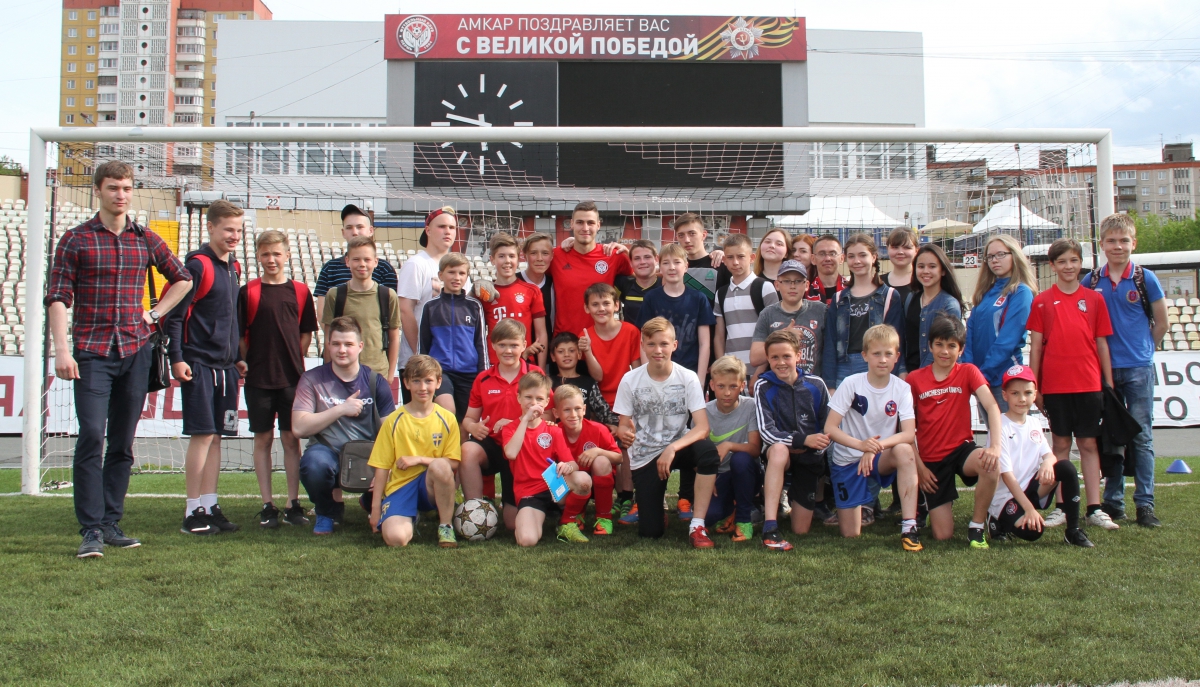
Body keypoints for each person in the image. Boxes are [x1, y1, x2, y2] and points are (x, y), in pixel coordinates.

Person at [47, 160, 194, 558]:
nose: (121, 195)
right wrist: (62, 349)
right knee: (92, 435)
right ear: (98, 190)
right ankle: (90, 529)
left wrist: (155, 314)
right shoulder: (75, 239)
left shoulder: (145, 238)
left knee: (123, 442)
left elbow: (183, 278)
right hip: (92, 352)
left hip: (135, 350)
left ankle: (111, 522)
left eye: (127, 188)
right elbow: (58, 297)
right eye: (113, 187)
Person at [1027, 238, 1117, 532]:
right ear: (1052, 266)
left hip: (1089, 384)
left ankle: (1095, 508)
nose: (1068, 266)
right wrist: (1035, 386)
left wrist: (1108, 384)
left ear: (1081, 263)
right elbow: (1036, 347)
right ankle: (1062, 507)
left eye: (1074, 260)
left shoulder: (1094, 300)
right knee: (1061, 445)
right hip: (1055, 386)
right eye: (1062, 261)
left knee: (1089, 444)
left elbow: (1101, 344)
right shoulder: (1041, 301)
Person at [1084, 214, 1167, 528]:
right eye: (1111, 241)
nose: (1118, 246)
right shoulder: (1092, 281)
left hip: (1138, 370)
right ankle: (1114, 502)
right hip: (1103, 371)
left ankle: (1145, 504)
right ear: (1102, 244)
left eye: (1124, 240)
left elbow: (1162, 323)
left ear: (1134, 243)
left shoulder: (1146, 279)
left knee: (1142, 437)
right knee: (1111, 437)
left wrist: (1144, 351)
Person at [168, 199, 245, 536]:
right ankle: (192, 510)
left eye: (238, 230)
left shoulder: (234, 267)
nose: (234, 235)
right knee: (202, 436)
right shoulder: (198, 266)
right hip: (199, 364)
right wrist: (177, 357)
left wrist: (237, 355)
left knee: (217, 439)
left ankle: (210, 504)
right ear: (210, 228)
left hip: (226, 368)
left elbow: (230, 318)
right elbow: (175, 315)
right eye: (228, 229)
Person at [238, 229, 318, 528]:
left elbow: (306, 332)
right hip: (258, 379)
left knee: (290, 439)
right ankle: (267, 503)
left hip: (291, 380)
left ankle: (293, 502)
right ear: (258, 256)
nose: (271, 259)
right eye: (265, 254)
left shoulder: (300, 291)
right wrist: (248, 361)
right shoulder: (248, 292)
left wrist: (294, 357)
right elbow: (241, 335)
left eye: (276, 254)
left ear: (287, 255)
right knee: (262, 439)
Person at [613, 317, 718, 547]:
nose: (658, 350)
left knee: (708, 452)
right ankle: (655, 512)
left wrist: (672, 447)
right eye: (651, 344)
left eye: (663, 344)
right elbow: (623, 424)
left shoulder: (687, 377)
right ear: (643, 345)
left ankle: (697, 525)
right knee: (651, 532)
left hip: (678, 446)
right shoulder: (630, 380)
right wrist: (624, 432)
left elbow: (702, 427)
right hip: (646, 455)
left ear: (674, 345)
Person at [905, 315, 1003, 547]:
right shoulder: (914, 379)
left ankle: (977, 526)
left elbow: (991, 406)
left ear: (961, 350)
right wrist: (920, 468)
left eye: (951, 345)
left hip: (961, 451)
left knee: (991, 464)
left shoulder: (968, 371)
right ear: (930, 346)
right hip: (932, 461)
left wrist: (995, 446)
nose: (945, 351)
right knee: (943, 535)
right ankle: (929, 504)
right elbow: (905, 428)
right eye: (939, 344)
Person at [294, 317, 396, 535]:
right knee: (313, 465)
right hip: (328, 452)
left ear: (360, 346)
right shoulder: (312, 379)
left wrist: (385, 468)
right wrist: (340, 409)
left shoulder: (375, 381)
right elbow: (299, 427)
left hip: (367, 455)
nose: (342, 350)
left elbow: (390, 432)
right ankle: (327, 511)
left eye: (348, 344)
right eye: (336, 344)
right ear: (328, 346)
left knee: (394, 460)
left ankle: (370, 499)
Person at [823, 325, 922, 550]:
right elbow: (830, 428)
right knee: (851, 533)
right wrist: (861, 445)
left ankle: (909, 527)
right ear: (865, 355)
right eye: (876, 353)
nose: (882, 359)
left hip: (879, 456)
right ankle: (860, 505)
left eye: (888, 353)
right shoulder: (851, 383)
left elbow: (908, 434)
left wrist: (873, 447)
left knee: (905, 451)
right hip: (848, 459)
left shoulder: (902, 388)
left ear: (897, 357)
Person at [987, 364, 1094, 548]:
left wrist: (1047, 463)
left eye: (1028, 393)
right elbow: (1007, 476)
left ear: (1035, 394)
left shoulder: (1034, 423)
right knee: (1033, 532)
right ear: (1005, 395)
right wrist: (1029, 509)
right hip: (1006, 495)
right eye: (1015, 393)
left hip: (1031, 487)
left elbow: (1049, 455)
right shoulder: (1000, 426)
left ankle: (1073, 530)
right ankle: (996, 520)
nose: (1022, 399)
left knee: (1066, 467)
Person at [459, 319, 545, 531]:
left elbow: (548, 415)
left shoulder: (534, 374)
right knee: (468, 450)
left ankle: (529, 504)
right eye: (502, 345)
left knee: (512, 524)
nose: (508, 350)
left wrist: (515, 424)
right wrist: (473, 427)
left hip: (521, 449)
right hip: (494, 444)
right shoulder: (483, 378)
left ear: (524, 345)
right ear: (493, 346)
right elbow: (468, 419)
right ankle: (475, 513)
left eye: (514, 345)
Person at [367, 355, 460, 548]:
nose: (423, 387)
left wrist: (418, 459)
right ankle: (410, 516)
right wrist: (375, 509)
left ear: (438, 382)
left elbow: (453, 462)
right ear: (407, 383)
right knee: (396, 539)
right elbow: (382, 466)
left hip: (429, 486)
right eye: (416, 381)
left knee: (441, 466)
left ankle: (446, 526)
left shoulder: (447, 419)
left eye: (428, 381)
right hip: (401, 486)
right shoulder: (393, 420)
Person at [755, 329, 832, 551]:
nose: (781, 362)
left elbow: (830, 427)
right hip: (782, 454)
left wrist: (816, 447)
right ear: (768, 358)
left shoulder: (816, 384)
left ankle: (791, 497)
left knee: (801, 529)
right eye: (774, 357)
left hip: (809, 458)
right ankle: (770, 525)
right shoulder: (763, 385)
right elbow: (766, 432)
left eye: (786, 356)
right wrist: (801, 440)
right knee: (779, 450)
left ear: (798, 356)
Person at [577, 283, 642, 524]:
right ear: (587, 308)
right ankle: (602, 496)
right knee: (604, 446)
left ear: (616, 305)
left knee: (625, 444)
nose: (601, 308)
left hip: (626, 402)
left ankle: (626, 496)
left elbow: (638, 371)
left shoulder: (630, 331)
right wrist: (588, 352)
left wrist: (628, 414)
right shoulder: (585, 335)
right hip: (599, 404)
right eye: (595, 304)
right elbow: (598, 377)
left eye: (606, 303)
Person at [504, 372, 590, 547]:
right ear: (519, 398)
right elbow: (511, 454)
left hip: (553, 487)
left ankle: (567, 522)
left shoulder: (553, 430)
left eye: (539, 399)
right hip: (529, 492)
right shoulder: (510, 429)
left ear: (546, 402)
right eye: (528, 397)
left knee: (583, 480)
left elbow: (572, 463)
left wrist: (567, 467)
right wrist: (525, 420)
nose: (533, 403)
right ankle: (531, 520)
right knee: (527, 540)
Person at [962, 233, 1038, 411]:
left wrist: (983, 374)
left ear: (1014, 255)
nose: (995, 260)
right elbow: (970, 333)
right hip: (981, 379)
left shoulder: (1021, 292)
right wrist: (969, 369)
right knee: (991, 428)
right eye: (990, 257)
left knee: (1009, 428)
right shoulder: (985, 292)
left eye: (1001, 254)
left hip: (1005, 379)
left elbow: (1007, 340)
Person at [822, 233, 905, 390]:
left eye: (862, 255)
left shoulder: (889, 296)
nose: (857, 261)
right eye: (851, 256)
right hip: (843, 367)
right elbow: (830, 343)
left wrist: (899, 372)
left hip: (876, 366)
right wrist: (830, 385)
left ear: (873, 257)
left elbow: (896, 342)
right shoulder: (839, 298)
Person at [319, 236, 400, 382]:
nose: (362, 264)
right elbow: (328, 338)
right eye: (356, 259)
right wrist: (329, 374)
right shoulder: (335, 295)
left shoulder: (388, 295)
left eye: (367, 259)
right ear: (347, 261)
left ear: (375, 262)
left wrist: (389, 375)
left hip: (377, 374)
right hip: (342, 375)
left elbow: (394, 337)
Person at [396, 207, 458, 395]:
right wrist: (421, 354)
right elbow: (405, 310)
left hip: (450, 362)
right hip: (420, 365)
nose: (447, 231)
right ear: (428, 230)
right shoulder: (416, 264)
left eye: (452, 227)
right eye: (441, 226)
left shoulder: (457, 266)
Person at [419, 252, 487, 421]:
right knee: (448, 412)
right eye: (451, 272)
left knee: (464, 423)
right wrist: (423, 372)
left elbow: (481, 344)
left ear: (467, 277)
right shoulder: (431, 307)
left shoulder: (474, 306)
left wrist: (483, 375)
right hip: (440, 371)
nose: (457, 277)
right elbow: (424, 344)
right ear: (441, 275)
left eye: (461, 273)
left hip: (469, 374)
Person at [547, 201, 632, 336]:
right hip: (566, 341)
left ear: (598, 225)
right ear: (572, 224)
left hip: (602, 339)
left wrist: (628, 253)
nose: (585, 228)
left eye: (590, 223)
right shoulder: (555, 256)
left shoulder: (614, 256)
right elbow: (531, 277)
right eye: (580, 222)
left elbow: (642, 279)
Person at [702, 356, 762, 543]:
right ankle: (731, 510)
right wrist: (706, 475)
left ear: (742, 386)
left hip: (747, 472)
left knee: (740, 459)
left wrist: (728, 445)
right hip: (719, 475)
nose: (727, 393)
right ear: (712, 385)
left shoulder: (750, 406)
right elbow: (697, 453)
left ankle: (744, 520)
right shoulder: (704, 411)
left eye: (733, 386)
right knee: (710, 517)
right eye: (721, 386)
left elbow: (755, 449)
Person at [553, 384, 623, 540]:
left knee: (602, 461)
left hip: (598, 480)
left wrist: (598, 451)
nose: (573, 414)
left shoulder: (598, 429)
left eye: (577, 408)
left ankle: (604, 517)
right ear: (556, 413)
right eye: (566, 410)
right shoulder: (554, 432)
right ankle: (575, 514)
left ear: (584, 409)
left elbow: (619, 457)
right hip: (572, 483)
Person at [636, 242, 715, 376]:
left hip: (690, 372)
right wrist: (648, 375)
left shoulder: (699, 299)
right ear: (660, 267)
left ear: (686, 266)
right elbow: (644, 340)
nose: (672, 267)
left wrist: (700, 379)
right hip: (659, 372)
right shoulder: (651, 298)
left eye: (677, 262)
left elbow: (704, 343)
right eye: (666, 263)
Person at [313, 204, 397, 323]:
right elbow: (323, 314)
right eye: (349, 227)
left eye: (359, 227)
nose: (355, 232)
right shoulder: (330, 268)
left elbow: (392, 313)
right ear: (343, 232)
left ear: (371, 230)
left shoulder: (385, 269)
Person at [483, 233, 548, 369]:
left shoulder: (532, 291)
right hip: (494, 364)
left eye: (512, 256)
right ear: (492, 259)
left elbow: (541, 333)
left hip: (524, 363)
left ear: (518, 259)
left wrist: (540, 369)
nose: (507, 261)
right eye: (501, 256)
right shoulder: (485, 293)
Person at [714, 233, 779, 369]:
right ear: (724, 260)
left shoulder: (765, 287)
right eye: (730, 257)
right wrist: (721, 367)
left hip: (761, 370)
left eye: (741, 256)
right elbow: (719, 336)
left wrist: (759, 372)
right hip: (731, 371)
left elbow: (774, 334)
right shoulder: (721, 293)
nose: (735, 262)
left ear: (752, 258)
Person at [751, 260, 826, 377]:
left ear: (807, 285)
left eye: (798, 281)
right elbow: (755, 358)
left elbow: (831, 352)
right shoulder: (767, 314)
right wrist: (785, 335)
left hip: (812, 383)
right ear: (777, 285)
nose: (792, 286)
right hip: (779, 384)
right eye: (786, 281)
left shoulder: (820, 310)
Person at [903, 243, 963, 372]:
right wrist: (902, 371)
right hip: (909, 373)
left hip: (933, 375)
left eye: (932, 266)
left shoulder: (949, 305)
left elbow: (946, 348)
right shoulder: (911, 298)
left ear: (943, 271)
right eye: (921, 266)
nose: (926, 271)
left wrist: (921, 376)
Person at [548, 332, 619, 429]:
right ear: (553, 356)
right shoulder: (548, 383)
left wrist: (614, 425)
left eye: (572, 350)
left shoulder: (588, 383)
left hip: (584, 433)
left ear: (579, 354)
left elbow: (604, 411)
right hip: (556, 433)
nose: (566, 354)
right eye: (560, 351)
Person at [674, 213, 732, 303]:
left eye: (692, 233)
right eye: (681, 235)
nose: (687, 240)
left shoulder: (721, 263)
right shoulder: (675, 268)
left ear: (704, 235)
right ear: (677, 238)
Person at [517, 232, 556, 340]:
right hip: (518, 348)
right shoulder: (514, 281)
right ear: (525, 255)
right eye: (533, 253)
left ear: (552, 256)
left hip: (547, 347)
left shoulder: (555, 284)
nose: (539, 258)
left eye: (545, 253)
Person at [613, 238, 660, 325]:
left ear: (656, 259)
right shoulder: (624, 284)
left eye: (647, 257)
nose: (642, 262)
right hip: (631, 334)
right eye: (637, 258)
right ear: (631, 262)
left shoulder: (666, 285)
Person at [806, 234, 849, 305]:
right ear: (813, 259)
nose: (827, 258)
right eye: (822, 254)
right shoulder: (805, 294)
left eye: (832, 254)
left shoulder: (853, 291)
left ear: (842, 258)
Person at [884, 227, 918, 304]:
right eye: (895, 247)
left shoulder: (924, 281)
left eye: (907, 247)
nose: (900, 252)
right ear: (887, 249)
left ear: (916, 250)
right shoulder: (878, 283)